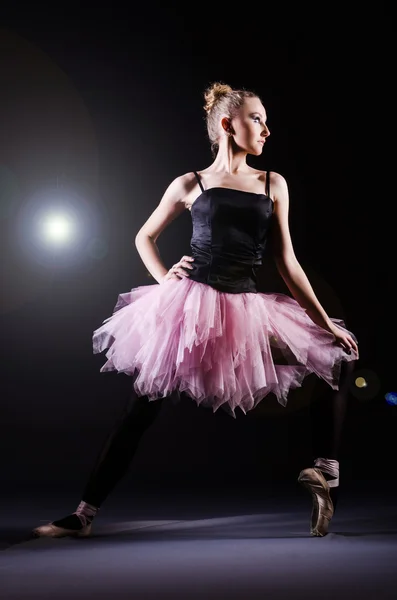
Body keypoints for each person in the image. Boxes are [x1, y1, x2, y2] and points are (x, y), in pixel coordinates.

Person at [32, 82, 359, 540]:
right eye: (256, 118)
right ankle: (82, 514)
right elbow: (143, 237)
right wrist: (165, 276)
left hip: (247, 310)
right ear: (228, 125)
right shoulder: (192, 183)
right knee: (138, 412)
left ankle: (326, 473)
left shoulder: (273, 184)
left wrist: (325, 323)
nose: (267, 128)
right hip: (190, 309)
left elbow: (287, 262)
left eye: (265, 119)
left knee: (337, 358)